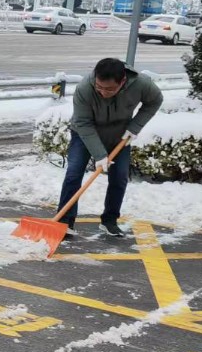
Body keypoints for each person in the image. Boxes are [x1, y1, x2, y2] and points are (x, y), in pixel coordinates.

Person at [59, 57, 164, 237]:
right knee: (73, 174)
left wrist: (135, 127)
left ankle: (110, 221)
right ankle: (64, 222)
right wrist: (100, 155)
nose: (102, 92)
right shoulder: (85, 88)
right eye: (99, 87)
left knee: (119, 177)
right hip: (85, 135)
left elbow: (155, 100)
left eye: (109, 89)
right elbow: (83, 123)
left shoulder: (141, 84)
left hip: (119, 136)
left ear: (123, 82)